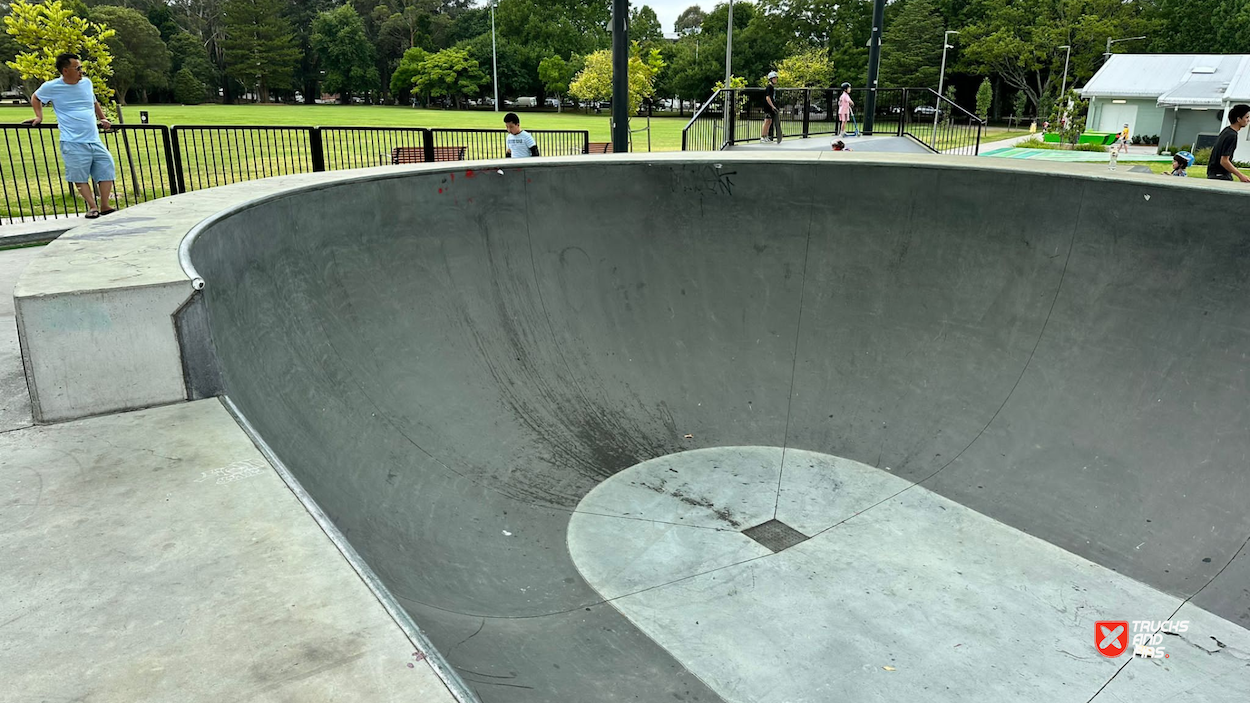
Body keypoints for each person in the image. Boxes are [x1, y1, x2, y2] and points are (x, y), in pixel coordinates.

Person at [27, 53, 116, 218]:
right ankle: (92, 207)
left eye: (81, 68)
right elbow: (36, 97)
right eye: (78, 68)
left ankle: (105, 205)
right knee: (79, 175)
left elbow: (93, 101)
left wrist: (102, 117)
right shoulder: (51, 86)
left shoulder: (87, 83)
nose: (81, 71)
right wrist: (39, 116)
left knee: (107, 168)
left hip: (94, 138)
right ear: (65, 70)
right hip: (72, 141)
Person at [1207, 104, 1250, 182]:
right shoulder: (1232, 136)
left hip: (1214, 174)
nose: (1248, 120)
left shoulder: (1226, 131)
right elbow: (1224, 161)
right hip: (1220, 176)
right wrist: (1241, 176)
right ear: (1239, 119)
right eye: (1246, 117)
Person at [760, 71, 780, 143]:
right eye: (774, 78)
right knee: (767, 121)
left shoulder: (772, 87)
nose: (775, 80)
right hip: (768, 106)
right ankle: (763, 136)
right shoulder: (769, 87)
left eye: (776, 78)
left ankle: (766, 136)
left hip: (770, 106)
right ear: (770, 79)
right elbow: (767, 98)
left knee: (770, 121)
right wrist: (772, 106)